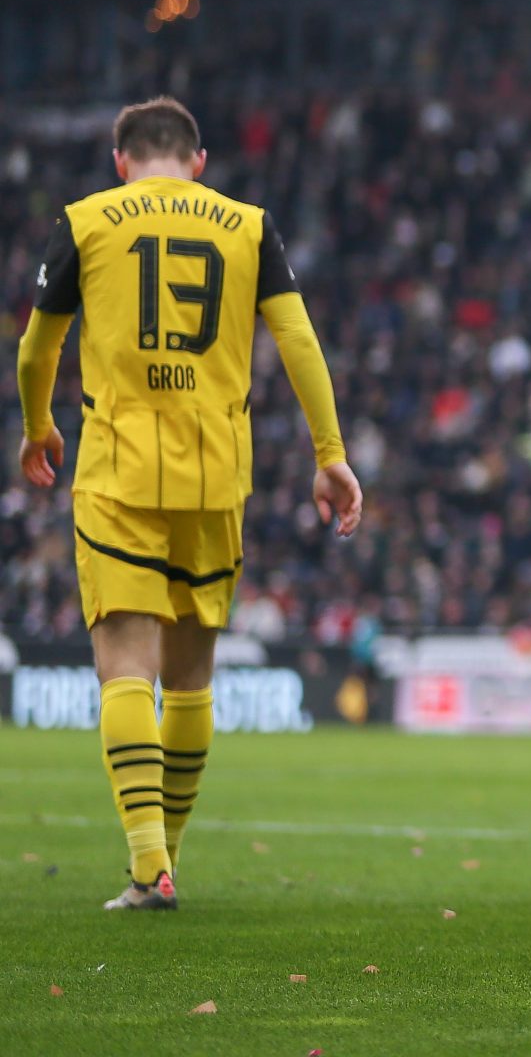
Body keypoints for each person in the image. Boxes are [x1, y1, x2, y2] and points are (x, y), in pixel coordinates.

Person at [15, 96, 364, 912]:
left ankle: (148, 867)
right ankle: (166, 856)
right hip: (217, 472)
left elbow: (38, 345)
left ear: (121, 161)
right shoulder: (248, 224)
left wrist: (37, 427)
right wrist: (330, 456)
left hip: (118, 469)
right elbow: (299, 339)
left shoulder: (87, 219)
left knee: (125, 669)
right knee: (192, 680)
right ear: (198, 162)